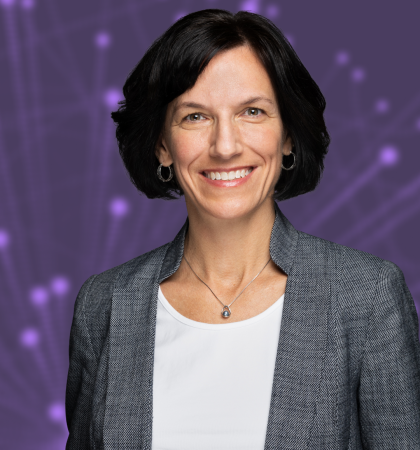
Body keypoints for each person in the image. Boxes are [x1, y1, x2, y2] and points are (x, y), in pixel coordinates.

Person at [65, 9, 420, 450]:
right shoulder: (104, 304)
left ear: (287, 136)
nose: (226, 146)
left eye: (252, 112)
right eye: (195, 116)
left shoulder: (366, 297)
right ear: (162, 146)